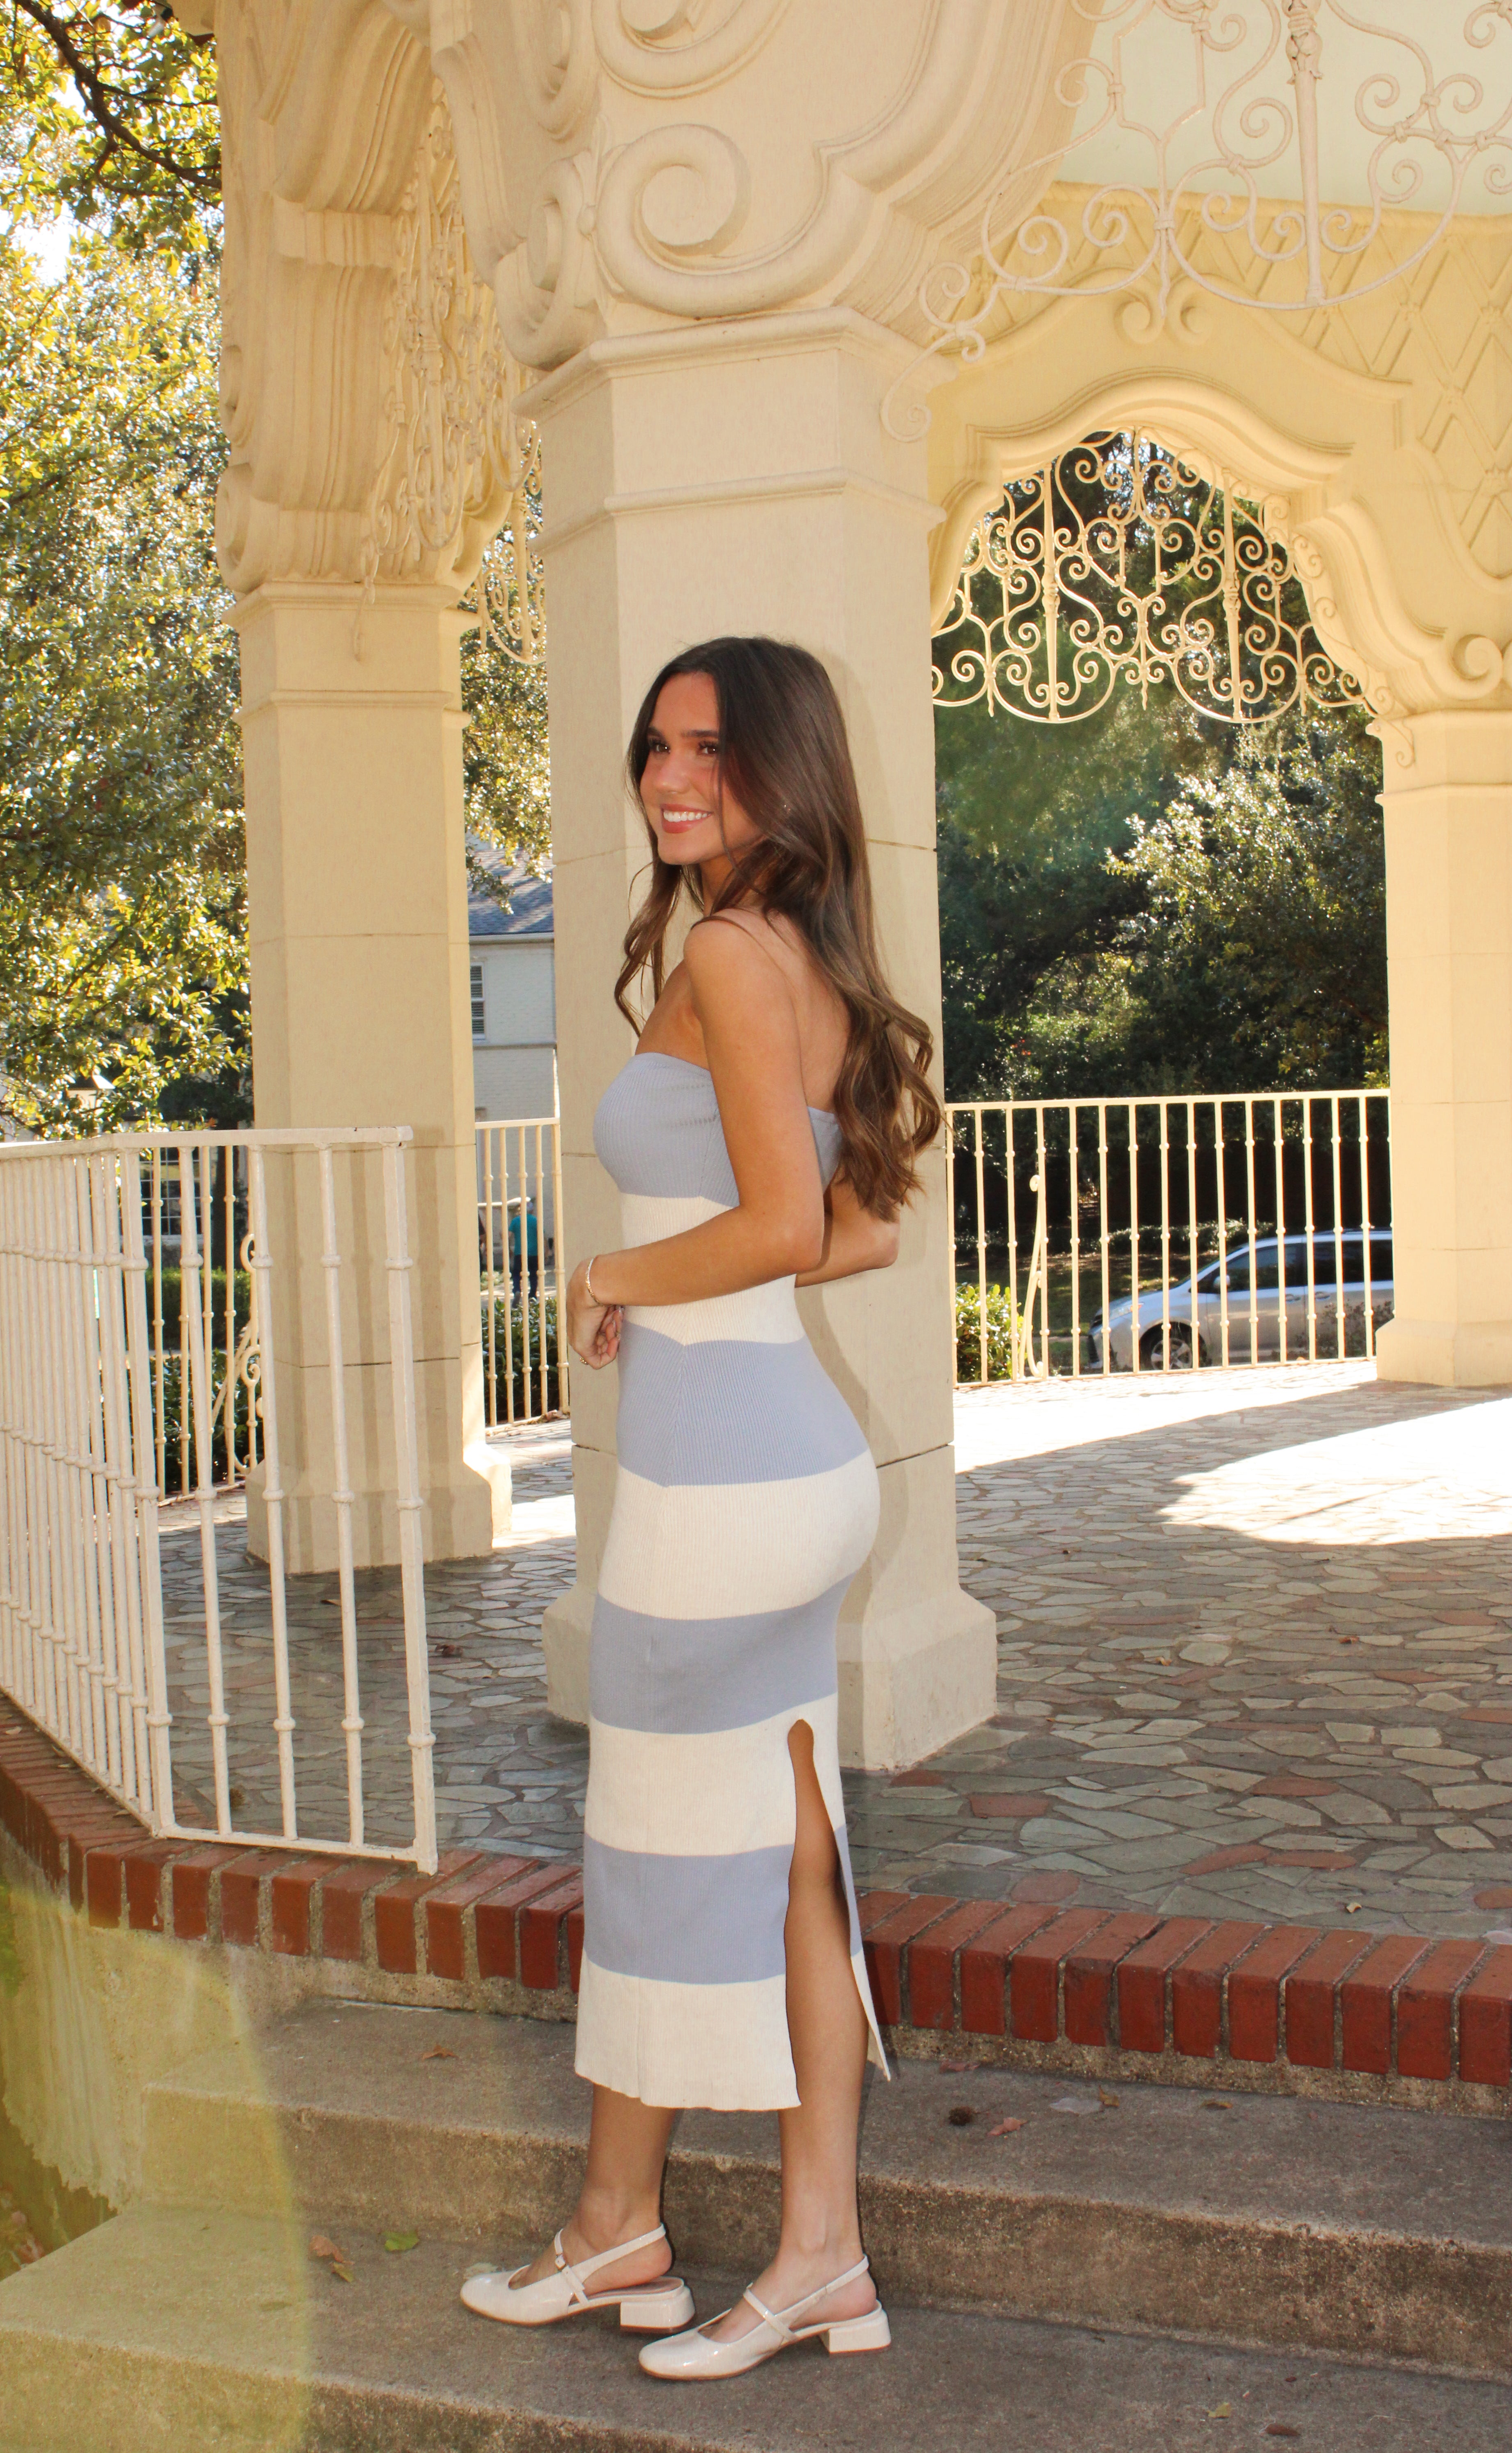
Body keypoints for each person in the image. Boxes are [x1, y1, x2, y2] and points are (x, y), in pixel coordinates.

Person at [461, 637, 941, 2379]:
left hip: (719, 1486)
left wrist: (612, 1273)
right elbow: (859, 1227)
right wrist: (681, 1277)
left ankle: (626, 2231)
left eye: (710, 751)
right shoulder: (798, 954)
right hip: (773, 1466)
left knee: (666, 1849)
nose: (670, 779)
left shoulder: (735, 957)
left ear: (781, 769)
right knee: (776, 1856)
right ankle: (798, 2255)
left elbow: (791, 1232)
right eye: (657, 748)